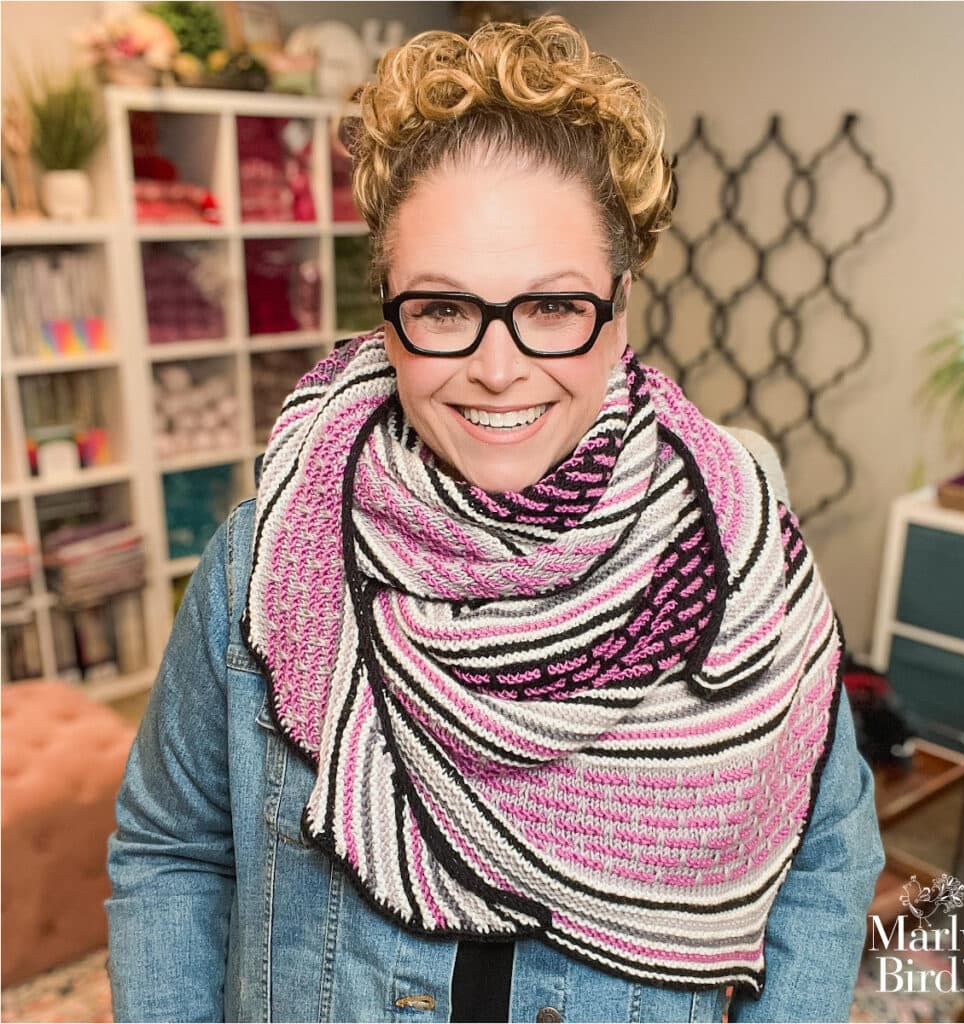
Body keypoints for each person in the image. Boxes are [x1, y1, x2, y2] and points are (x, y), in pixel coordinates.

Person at [106, 15, 885, 1023]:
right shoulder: (268, 558)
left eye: (552, 308)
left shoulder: (736, 557)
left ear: (619, 303)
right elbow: (171, 849)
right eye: (441, 308)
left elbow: (826, 857)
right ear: (387, 307)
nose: (498, 366)